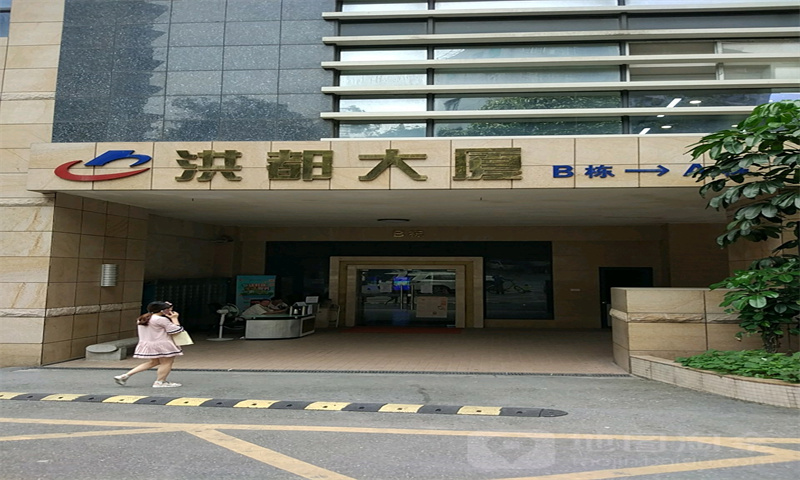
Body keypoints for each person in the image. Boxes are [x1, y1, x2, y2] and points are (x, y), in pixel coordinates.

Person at [113, 301, 184, 388]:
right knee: (167, 362)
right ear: (162, 310)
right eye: (168, 309)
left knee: (154, 362)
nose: (170, 311)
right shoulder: (161, 319)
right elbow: (176, 330)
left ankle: (125, 376)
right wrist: (175, 318)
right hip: (163, 344)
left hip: (148, 344)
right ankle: (160, 382)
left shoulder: (142, 318)